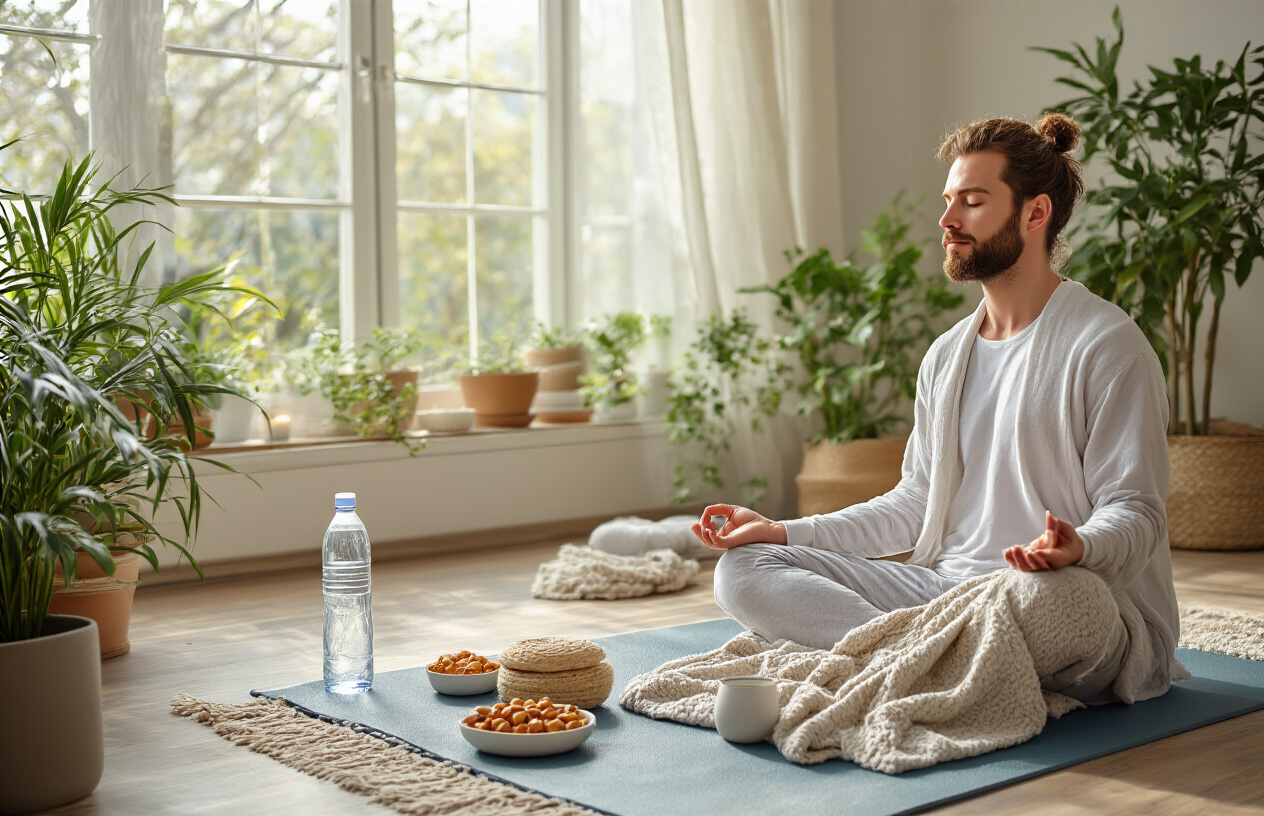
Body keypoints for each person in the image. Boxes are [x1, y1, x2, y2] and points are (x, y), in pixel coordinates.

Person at [696, 114, 1185, 705]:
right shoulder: (947, 354)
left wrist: (1077, 548)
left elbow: (1136, 512)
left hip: (1057, 599)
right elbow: (914, 501)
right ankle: (924, 659)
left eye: (973, 203)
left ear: (1035, 213)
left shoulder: (1108, 345)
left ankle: (900, 658)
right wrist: (782, 530)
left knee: (1064, 603)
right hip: (941, 594)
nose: (948, 221)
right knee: (745, 569)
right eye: (950, 200)